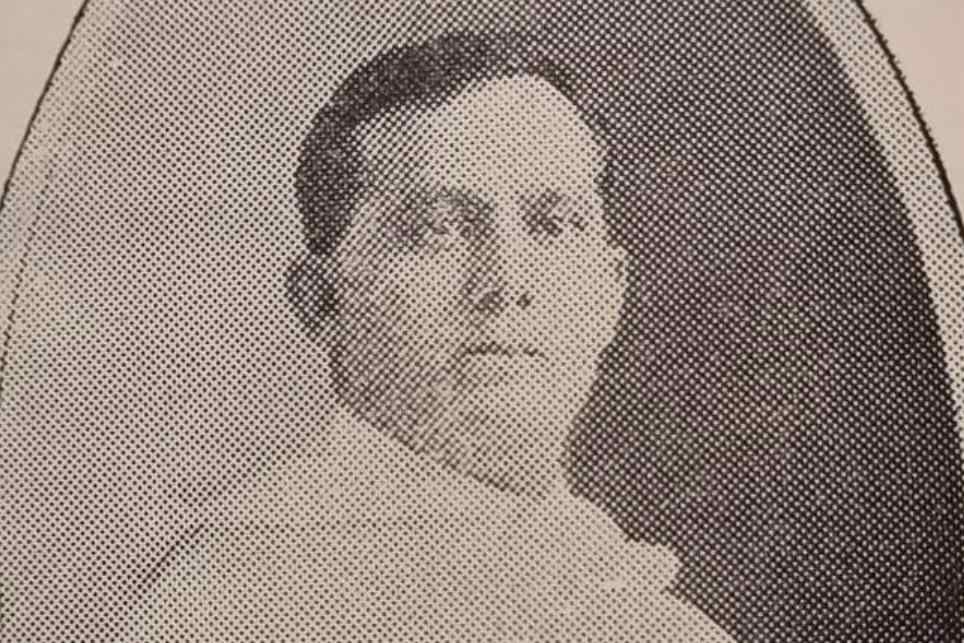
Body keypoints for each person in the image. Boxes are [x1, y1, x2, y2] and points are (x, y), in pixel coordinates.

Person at [123, 30, 737, 642]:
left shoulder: (660, 625)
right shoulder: (240, 597)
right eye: (438, 229)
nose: (507, 283)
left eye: (554, 225)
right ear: (321, 299)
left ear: (609, 293)